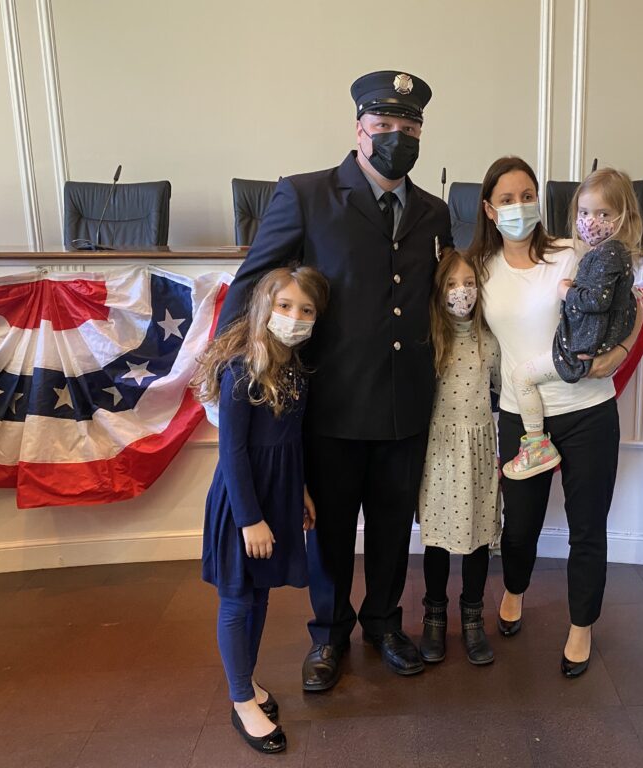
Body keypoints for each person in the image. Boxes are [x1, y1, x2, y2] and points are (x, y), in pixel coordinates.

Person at [216, 70, 452, 691]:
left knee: (394, 525)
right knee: (331, 530)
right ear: (359, 129)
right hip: (333, 405)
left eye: (409, 127)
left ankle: (383, 624)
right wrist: (231, 367)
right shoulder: (307, 194)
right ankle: (328, 636)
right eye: (385, 126)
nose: (397, 136)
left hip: (406, 403)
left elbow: (440, 300)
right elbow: (251, 286)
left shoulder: (433, 211)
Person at [469, 156, 639, 678]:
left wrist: (623, 351)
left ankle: (581, 626)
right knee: (519, 526)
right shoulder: (478, 270)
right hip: (521, 417)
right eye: (507, 198)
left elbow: (630, 305)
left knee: (588, 527)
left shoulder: (574, 252)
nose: (519, 206)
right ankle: (515, 589)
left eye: (527, 195)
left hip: (588, 410)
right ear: (489, 210)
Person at [195, 265, 330, 754]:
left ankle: (246, 682)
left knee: (261, 595)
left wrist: (300, 493)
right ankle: (239, 699)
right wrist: (250, 518)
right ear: (263, 308)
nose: (295, 317)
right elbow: (232, 452)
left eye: (306, 310)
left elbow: (289, 443)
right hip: (243, 504)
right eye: (285, 306)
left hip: (280, 494)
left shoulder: (295, 368)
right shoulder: (239, 369)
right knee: (237, 599)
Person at [503, 168, 640, 480]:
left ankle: (536, 444)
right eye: (584, 212)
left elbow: (624, 302)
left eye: (603, 213)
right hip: (576, 352)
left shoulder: (597, 255)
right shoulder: (601, 253)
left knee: (521, 376)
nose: (591, 221)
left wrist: (567, 292)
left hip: (577, 361)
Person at [416, 247, 500, 666]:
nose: (461, 291)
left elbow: (504, 389)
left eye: (469, 283)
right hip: (441, 452)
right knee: (437, 539)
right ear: (439, 290)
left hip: (480, 451)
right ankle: (434, 616)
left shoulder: (490, 339)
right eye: (452, 284)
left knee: (477, 539)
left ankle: (472, 616)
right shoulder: (431, 337)